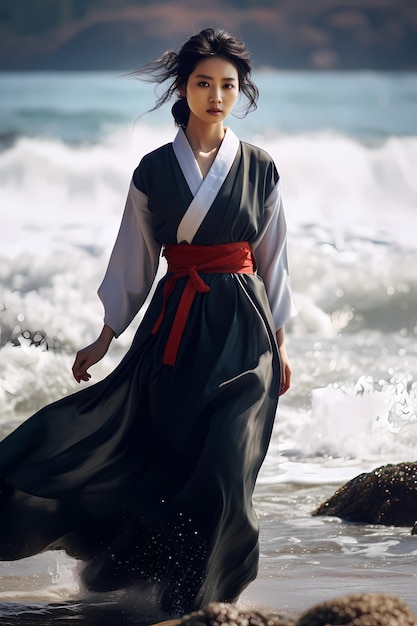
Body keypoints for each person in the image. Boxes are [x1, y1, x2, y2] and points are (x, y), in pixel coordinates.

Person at [0, 28, 296, 616]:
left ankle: (208, 595)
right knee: (172, 458)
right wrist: (105, 335)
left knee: (228, 464)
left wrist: (282, 347)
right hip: (176, 332)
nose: (216, 95)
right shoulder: (154, 169)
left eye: (227, 85)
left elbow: (274, 261)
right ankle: (155, 586)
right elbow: (131, 257)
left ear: (243, 92)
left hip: (246, 332)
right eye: (203, 83)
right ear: (182, 90)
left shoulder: (261, 168)